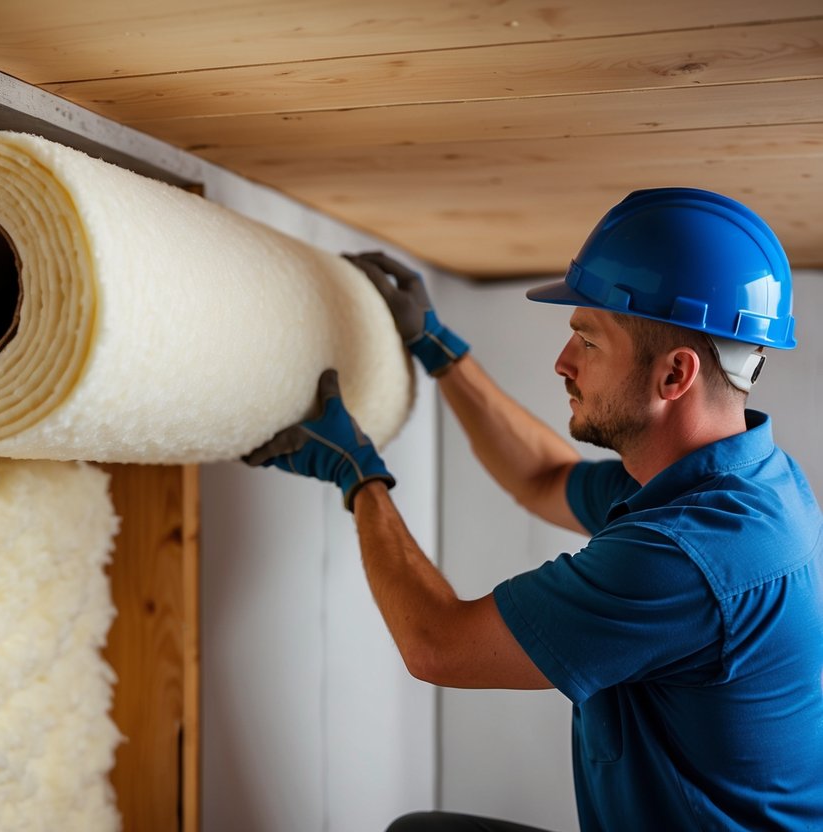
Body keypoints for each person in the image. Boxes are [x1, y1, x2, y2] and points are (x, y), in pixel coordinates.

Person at [246, 188, 823, 830]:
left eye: (589, 340)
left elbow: (436, 646)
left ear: (674, 376)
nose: (563, 361)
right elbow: (543, 476)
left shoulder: (688, 556)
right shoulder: (741, 483)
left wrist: (359, 479)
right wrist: (438, 348)